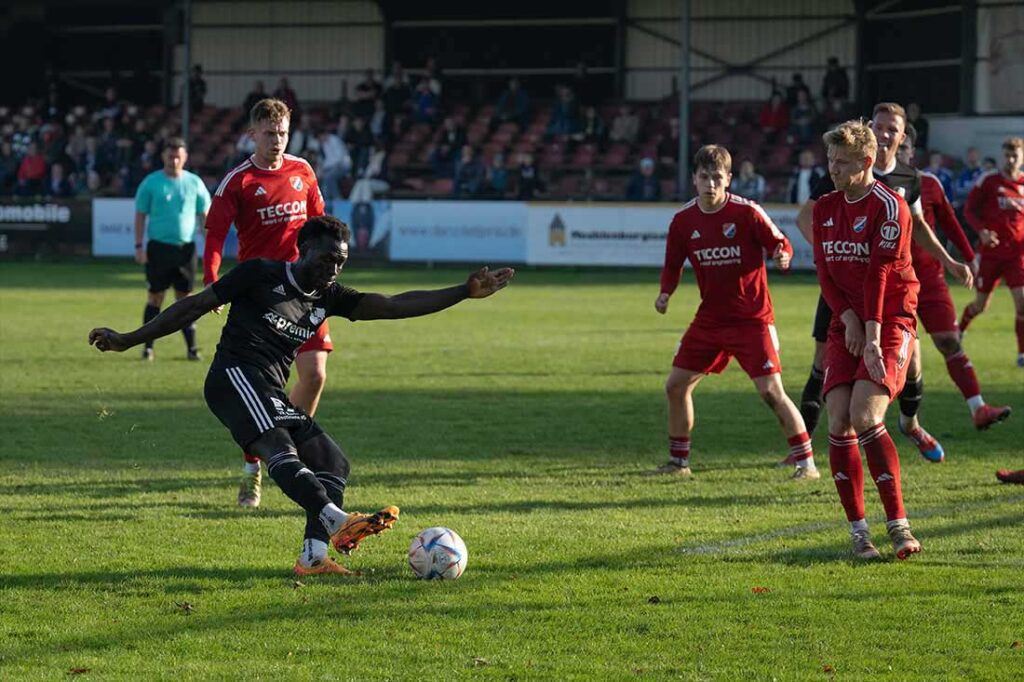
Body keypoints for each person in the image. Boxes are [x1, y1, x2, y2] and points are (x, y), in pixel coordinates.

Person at [90, 215, 514, 575]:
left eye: (342, 262)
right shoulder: (260, 274)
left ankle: (313, 556)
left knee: (333, 462)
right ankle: (336, 520)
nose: (334, 268)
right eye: (328, 258)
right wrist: (130, 339)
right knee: (278, 444)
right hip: (233, 377)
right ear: (302, 247)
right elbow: (193, 306)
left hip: (269, 389)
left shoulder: (328, 298)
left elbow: (392, 304)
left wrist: (463, 291)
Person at [793, 103, 973, 464]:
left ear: (902, 136)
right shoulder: (843, 168)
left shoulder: (909, 179)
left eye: (892, 128)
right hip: (843, 291)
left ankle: (911, 425)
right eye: (878, 126)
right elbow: (805, 219)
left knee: (913, 365)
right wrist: (835, 254)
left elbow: (920, 227)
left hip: (891, 294)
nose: (884, 132)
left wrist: (949, 260)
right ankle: (803, 451)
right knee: (821, 363)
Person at [649, 144, 819, 481]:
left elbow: (779, 242)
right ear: (693, 180)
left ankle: (807, 463)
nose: (710, 184)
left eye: (717, 177)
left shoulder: (747, 212)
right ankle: (678, 464)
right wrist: (665, 293)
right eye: (704, 177)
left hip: (752, 319)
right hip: (710, 319)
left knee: (771, 391)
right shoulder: (683, 221)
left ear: (728, 179)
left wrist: (782, 255)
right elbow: (672, 263)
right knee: (676, 385)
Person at [204, 98, 329, 508]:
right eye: (270, 133)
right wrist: (211, 282)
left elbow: (319, 224)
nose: (277, 140)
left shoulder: (302, 172)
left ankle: (286, 452)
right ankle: (254, 464)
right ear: (252, 133)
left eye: (283, 133)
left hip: (305, 289)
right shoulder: (237, 182)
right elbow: (215, 236)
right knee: (262, 391)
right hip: (260, 296)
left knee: (314, 375)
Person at [812, 119, 922, 561]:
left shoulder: (891, 207)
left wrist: (872, 336)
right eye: (830, 161)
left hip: (891, 319)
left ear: (867, 161)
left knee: (864, 413)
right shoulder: (824, 208)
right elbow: (825, 272)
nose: (833, 170)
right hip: (849, 319)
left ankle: (898, 525)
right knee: (837, 419)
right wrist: (849, 319)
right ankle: (860, 534)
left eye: (842, 163)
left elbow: (879, 274)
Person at [895, 126, 1010, 431]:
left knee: (949, 340)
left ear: (912, 151)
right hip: (891, 280)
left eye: (904, 146)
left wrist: (969, 257)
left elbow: (948, 220)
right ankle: (893, 421)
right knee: (899, 355)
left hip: (930, 278)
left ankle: (978, 408)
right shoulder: (873, 185)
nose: (898, 150)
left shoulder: (928, 184)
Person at [133, 137, 211, 360]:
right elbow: (140, 215)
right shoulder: (151, 183)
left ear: (185, 158)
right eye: (170, 155)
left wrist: (211, 246)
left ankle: (192, 348)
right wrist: (139, 245)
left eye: (178, 155)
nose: (174, 159)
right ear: (163, 156)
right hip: (158, 249)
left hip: (185, 250)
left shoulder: (194, 183)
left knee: (185, 300)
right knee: (155, 297)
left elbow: (205, 216)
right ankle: (147, 347)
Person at [959, 137, 1024, 367]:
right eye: (1007, 155)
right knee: (980, 305)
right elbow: (968, 210)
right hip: (991, 254)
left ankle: (1021, 354)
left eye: (1015, 155)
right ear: (1001, 156)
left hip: (1017, 255)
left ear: (1022, 157)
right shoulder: (989, 181)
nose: (1011, 160)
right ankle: (960, 329)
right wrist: (982, 231)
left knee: (1022, 302)